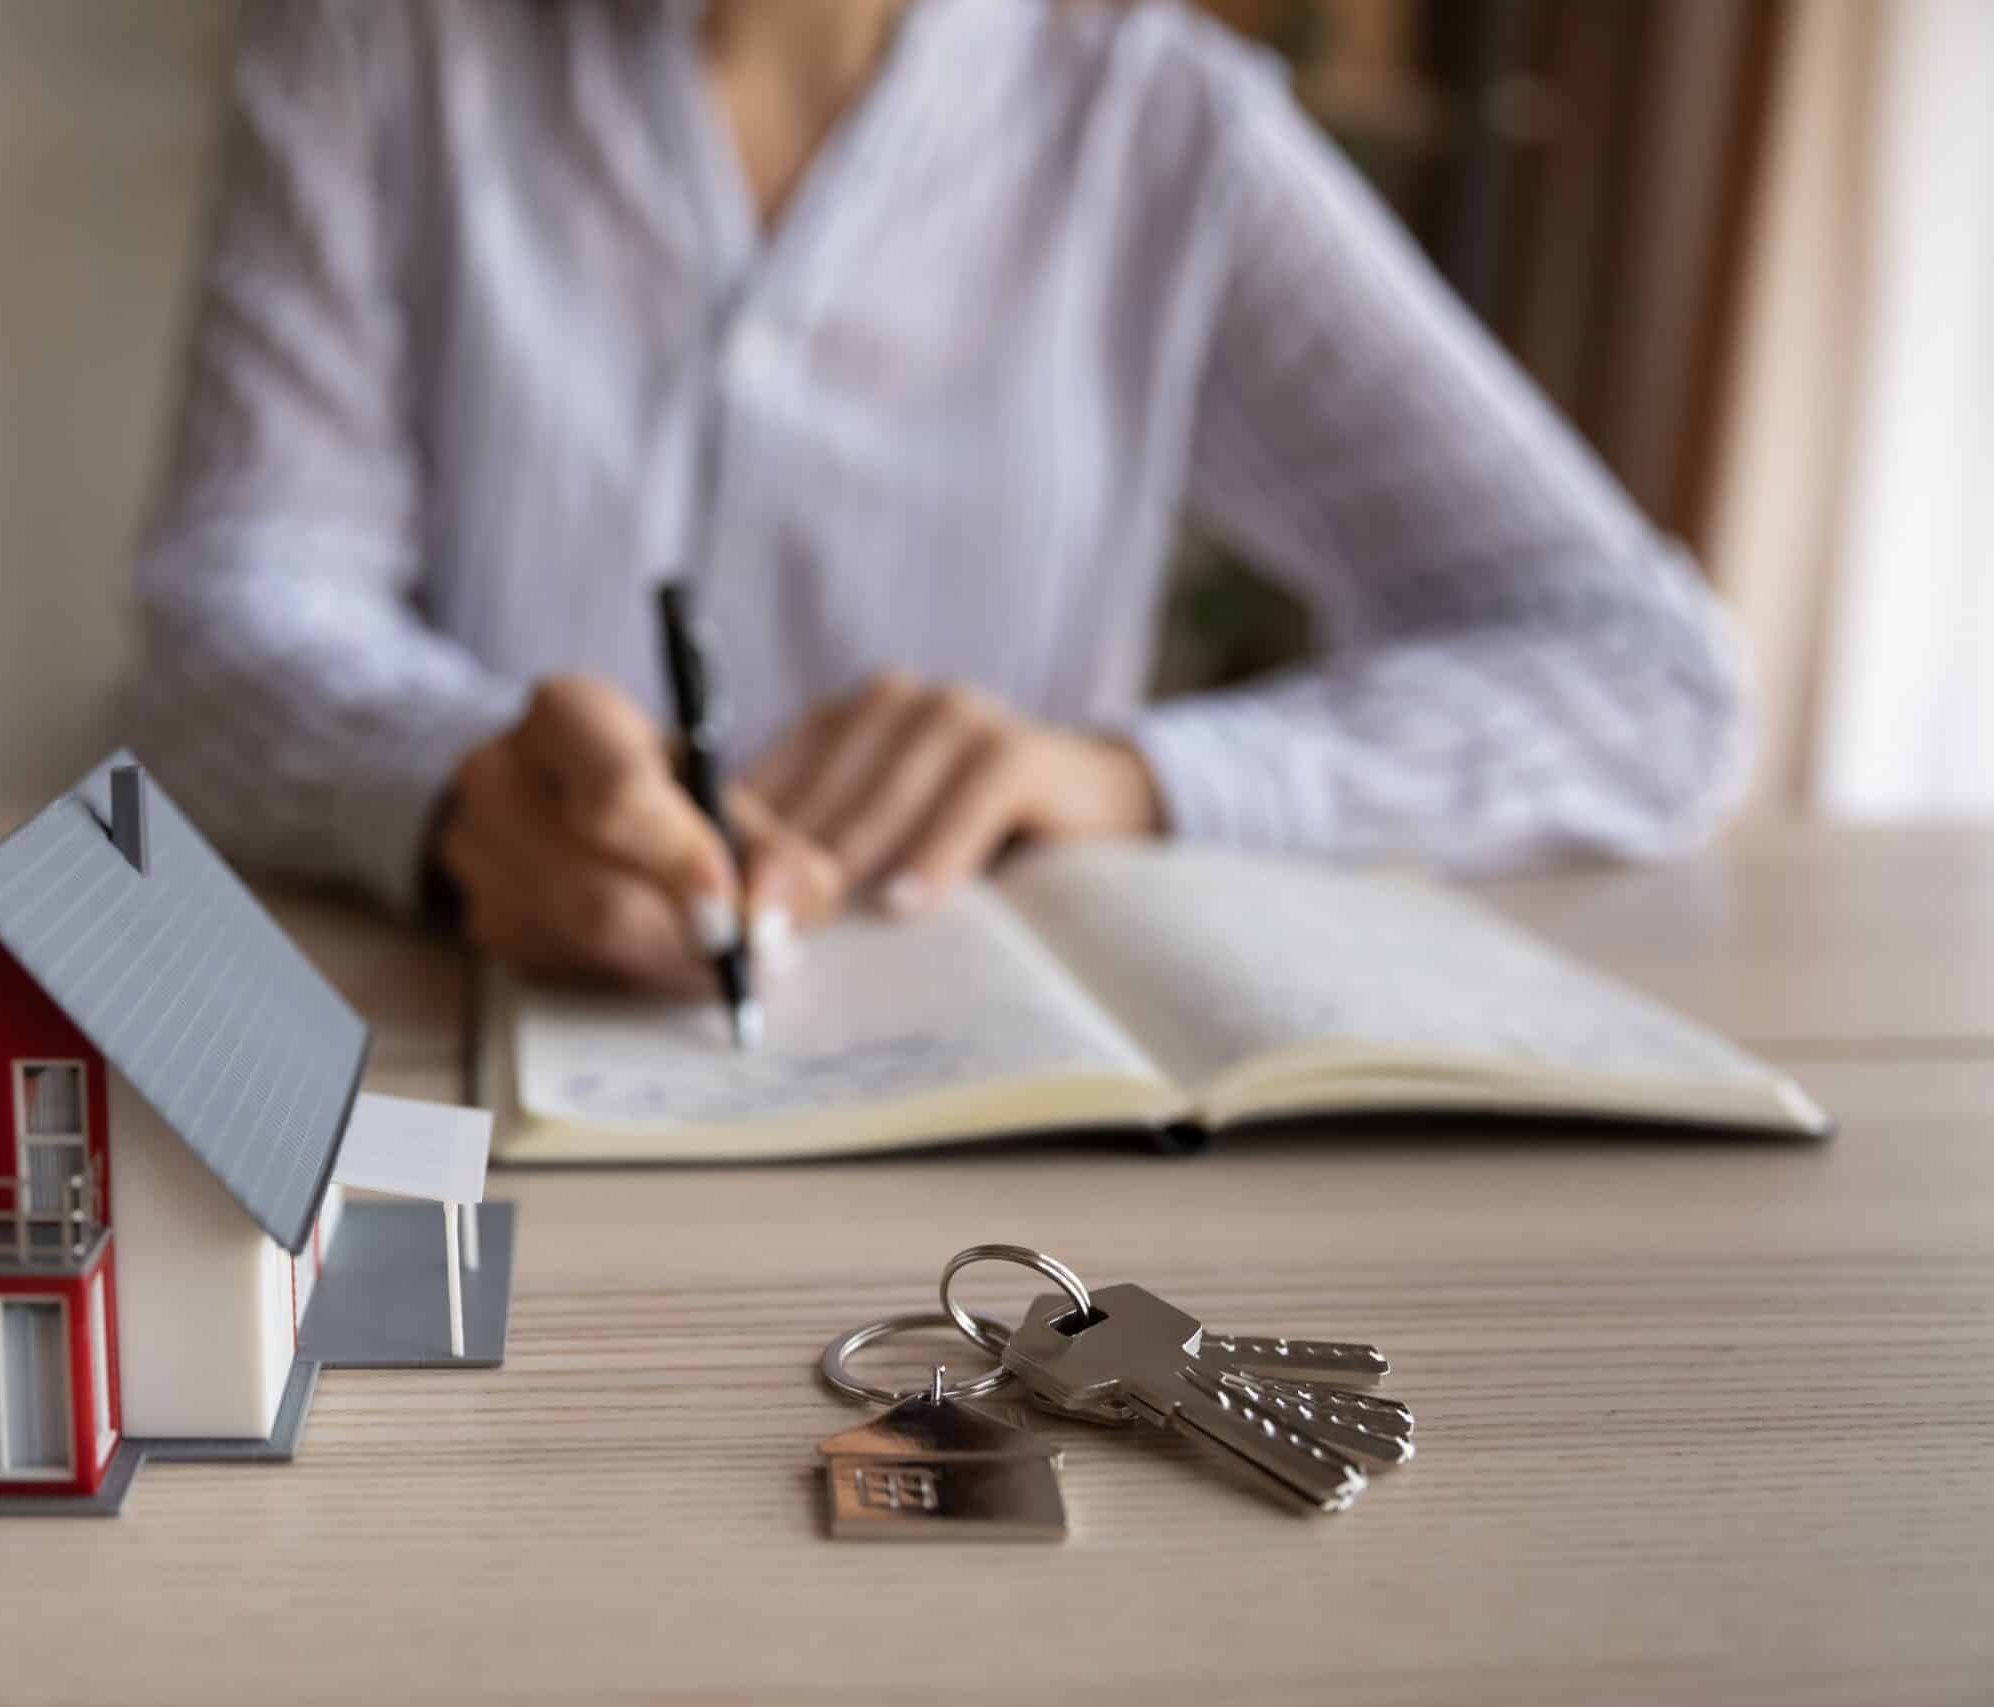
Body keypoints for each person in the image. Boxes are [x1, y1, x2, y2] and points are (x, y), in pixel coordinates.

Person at [128, 0, 1747, 997]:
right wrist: (448, 784)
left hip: (1003, 1165)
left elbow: (1652, 680)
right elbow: (227, 616)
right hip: (458, 1071)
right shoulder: (373, 48)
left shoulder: (1165, 132)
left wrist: (1129, 780)